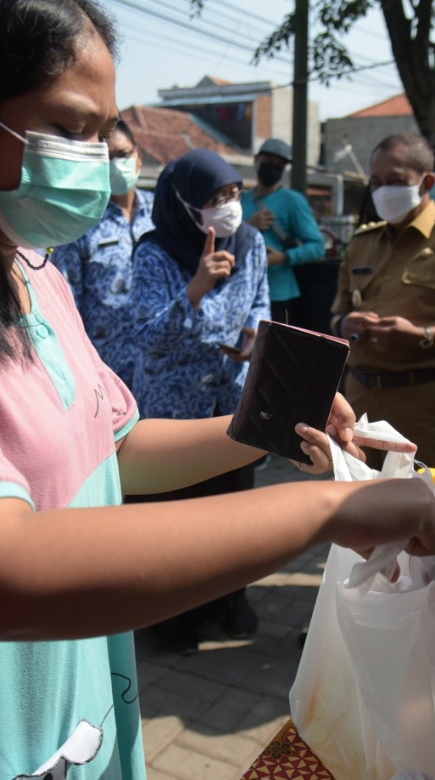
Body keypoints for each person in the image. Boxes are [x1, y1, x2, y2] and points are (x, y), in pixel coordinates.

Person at [0, 0, 435, 778]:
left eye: (106, 132)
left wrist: (272, 425)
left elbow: (114, 449)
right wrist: (330, 512)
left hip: (71, 727)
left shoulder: (34, 275)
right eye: (73, 129)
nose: (100, 159)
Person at [131, 148, 269, 651]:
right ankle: (171, 618)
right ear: (186, 204)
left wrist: (254, 333)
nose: (229, 207)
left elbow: (260, 298)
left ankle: (231, 602)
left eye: (234, 194)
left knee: (232, 514)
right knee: (176, 522)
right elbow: (146, 334)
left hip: (231, 401)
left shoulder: (251, 241)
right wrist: (196, 287)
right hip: (173, 411)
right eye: (215, 199)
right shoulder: (154, 251)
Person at [331, 132, 435, 510]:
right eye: (375, 182)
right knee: (361, 511)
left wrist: (422, 335)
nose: (382, 191)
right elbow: (336, 315)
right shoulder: (363, 241)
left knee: (434, 515)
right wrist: (345, 324)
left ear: (426, 182)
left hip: (423, 400)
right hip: (359, 399)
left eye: (393, 180)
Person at [55, 119, 153, 388]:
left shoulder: (162, 213)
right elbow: (65, 301)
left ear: (138, 156)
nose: (116, 164)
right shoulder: (80, 221)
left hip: (157, 370)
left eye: (122, 155)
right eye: (107, 158)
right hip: (105, 368)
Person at [240, 138, 325, 325]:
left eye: (279, 164)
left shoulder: (293, 201)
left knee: (272, 352)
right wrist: (249, 226)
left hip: (278, 294)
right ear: (256, 160)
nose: (272, 167)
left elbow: (317, 247)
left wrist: (284, 257)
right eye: (267, 161)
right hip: (242, 291)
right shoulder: (241, 201)